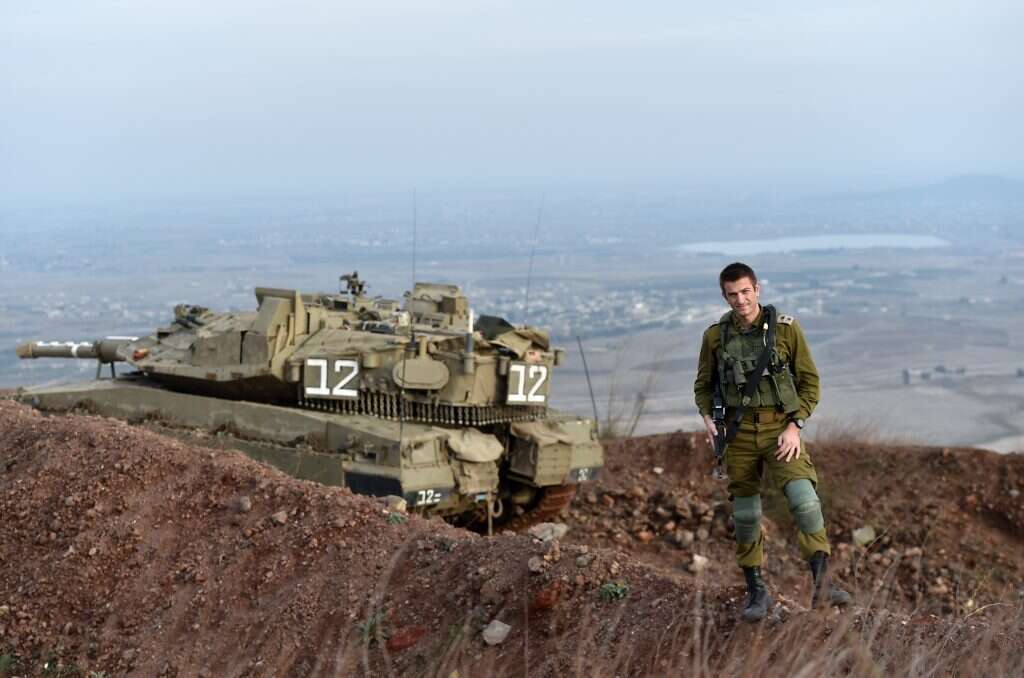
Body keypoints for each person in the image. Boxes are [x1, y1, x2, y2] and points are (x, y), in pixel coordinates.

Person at [694, 262, 851, 622]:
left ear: (757, 289)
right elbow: (703, 386)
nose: (740, 300)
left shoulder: (785, 331)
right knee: (746, 515)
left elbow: (810, 383)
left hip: (780, 430)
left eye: (745, 292)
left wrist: (796, 425)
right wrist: (708, 419)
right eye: (732, 294)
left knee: (804, 500)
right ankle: (757, 591)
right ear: (724, 296)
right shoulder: (715, 337)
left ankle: (823, 584)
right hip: (738, 435)